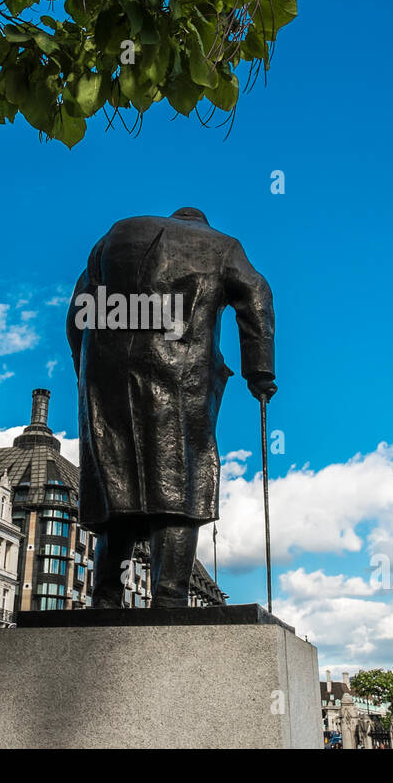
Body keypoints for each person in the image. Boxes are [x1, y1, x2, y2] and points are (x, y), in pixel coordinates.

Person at [67, 208, 275, 608]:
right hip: (181, 374)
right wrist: (259, 371)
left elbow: (76, 316)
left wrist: (89, 369)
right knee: (182, 480)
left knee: (117, 483)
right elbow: (257, 294)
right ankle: (169, 595)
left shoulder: (114, 235)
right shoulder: (221, 245)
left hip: (105, 376)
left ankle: (106, 593)